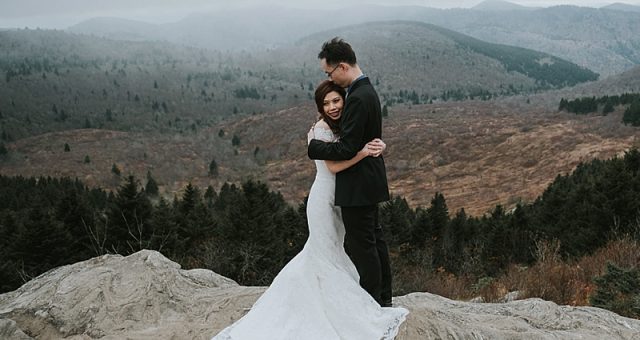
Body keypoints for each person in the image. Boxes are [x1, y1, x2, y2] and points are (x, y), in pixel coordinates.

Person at [211, 80, 408, 339]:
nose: (332, 107)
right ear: (320, 107)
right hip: (324, 200)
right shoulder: (321, 130)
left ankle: (337, 299)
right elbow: (334, 168)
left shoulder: (344, 126)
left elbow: (363, 142)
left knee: (338, 252)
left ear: (344, 101)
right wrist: (361, 153)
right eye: (326, 103)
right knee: (322, 252)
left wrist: (378, 146)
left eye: (336, 100)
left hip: (344, 197)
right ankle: (313, 303)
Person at [308, 37, 394, 307]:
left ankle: (372, 304)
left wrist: (314, 147)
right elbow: (367, 137)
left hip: (358, 186)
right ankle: (384, 299)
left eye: (329, 72)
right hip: (369, 181)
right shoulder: (367, 90)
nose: (329, 77)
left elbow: (346, 148)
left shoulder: (357, 97)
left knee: (363, 247)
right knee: (375, 242)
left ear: (342, 66)